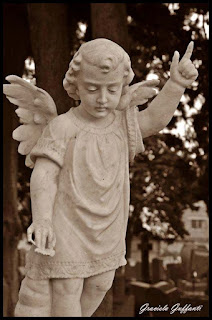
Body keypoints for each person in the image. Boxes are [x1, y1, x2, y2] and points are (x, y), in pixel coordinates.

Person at [13, 38, 198, 317]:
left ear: (123, 88)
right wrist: (42, 219)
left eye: (111, 90)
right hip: (67, 221)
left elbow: (155, 119)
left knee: (100, 284)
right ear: (75, 86)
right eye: (92, 89)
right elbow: (44, 175)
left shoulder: (122, 124)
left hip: (107, 223)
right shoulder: (63, 126)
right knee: (67, 288)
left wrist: (175, 85)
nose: (102, 99)